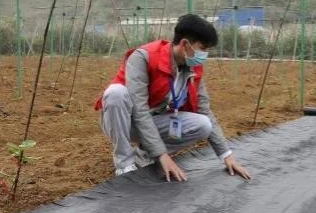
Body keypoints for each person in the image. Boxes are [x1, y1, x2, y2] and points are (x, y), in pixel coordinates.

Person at [95, 14, 251, 181]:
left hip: (153, 121)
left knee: (203, 124)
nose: (204, 54)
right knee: (115, 93)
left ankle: (145, 153)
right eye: (203, 48)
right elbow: (139, 110)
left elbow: (204, 110)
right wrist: (163, 155)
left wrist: (226, 155)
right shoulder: (144, 57)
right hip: (124, 122)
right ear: (185, 44)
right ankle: (124, 163)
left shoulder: (192, 68)